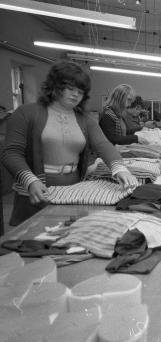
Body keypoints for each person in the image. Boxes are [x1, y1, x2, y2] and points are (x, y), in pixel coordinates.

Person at [0, 61, 138, 226]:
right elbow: (11, 152)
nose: (75, 95)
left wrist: (119, 168)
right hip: (35, 192)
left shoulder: (85, 119)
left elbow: (103, 144)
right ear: (55, 87)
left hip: (72, 191)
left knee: (66, 237)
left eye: (80, 91)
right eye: (70, 89)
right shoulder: (26, 113)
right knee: (31, 239)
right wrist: (29, 179)